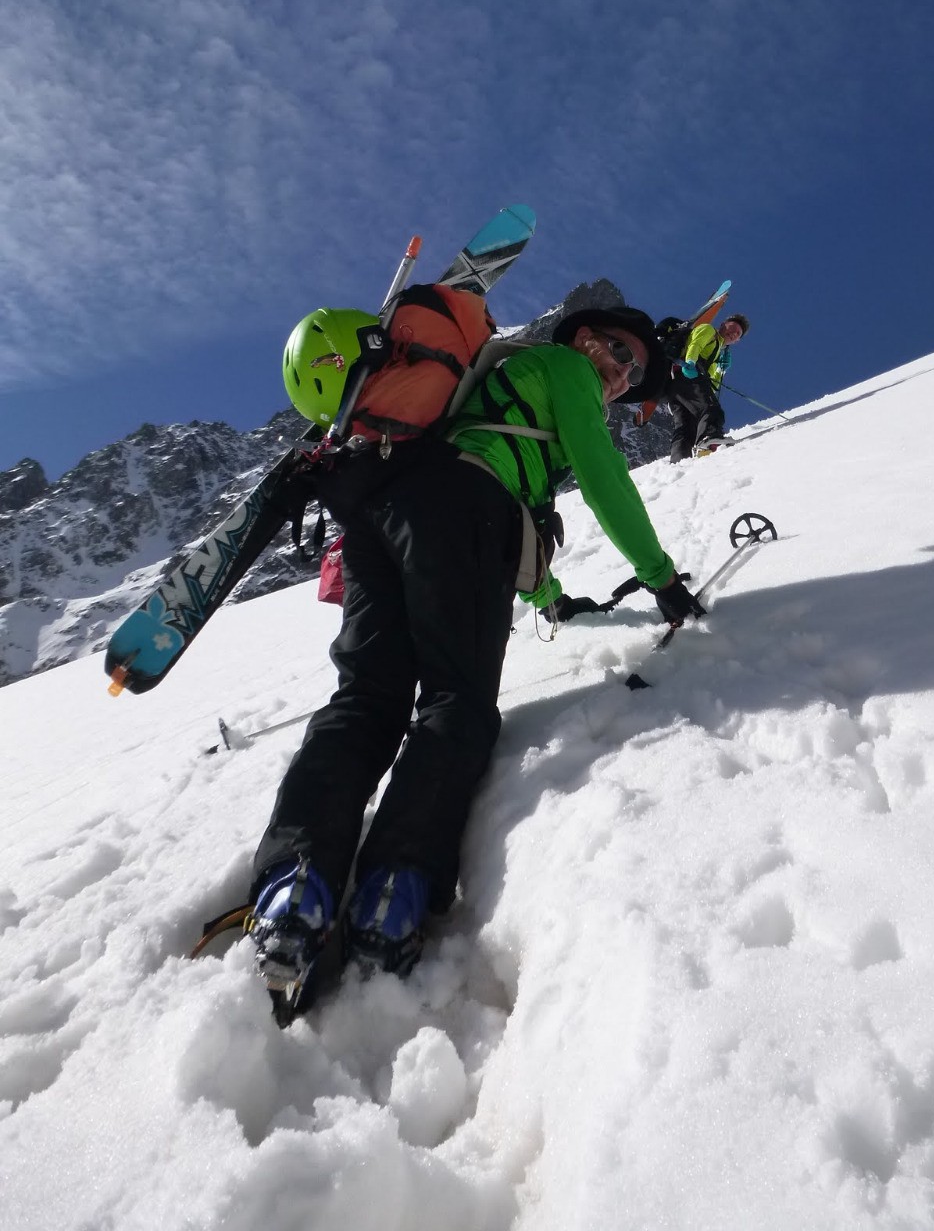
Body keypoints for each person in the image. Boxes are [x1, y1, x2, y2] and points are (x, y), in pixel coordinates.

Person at [246, 304, 705, 1001]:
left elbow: (492, 465)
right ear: (584, 339)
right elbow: (599, 474)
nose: (621, 374)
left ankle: (294, 882)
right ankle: (392, 888)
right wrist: (660, 576)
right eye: (618, 353)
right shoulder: (565, 368)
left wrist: (547, 594)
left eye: (635, 371)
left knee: (367, 698)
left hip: (383, 515)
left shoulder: (509, 380)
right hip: (465, 515)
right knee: (455, 702)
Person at [664, 313, 749, 462]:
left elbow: (713, 385)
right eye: (733, 328)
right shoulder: (709, 330)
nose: (733, 333)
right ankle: (709, 438)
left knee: (686, 425)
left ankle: (678, 462)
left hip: (673, 383)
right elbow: (695, 344)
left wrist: (721, 370)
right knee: (710, 408)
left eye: (737, 334)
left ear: (737, 341)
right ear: (723, 324)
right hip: (686, 373)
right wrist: (690, 362)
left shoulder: (718, 352)